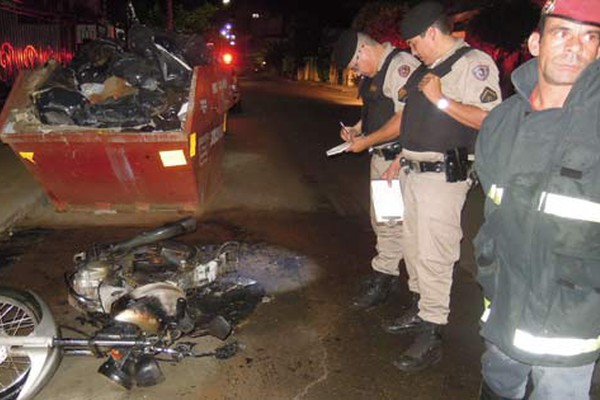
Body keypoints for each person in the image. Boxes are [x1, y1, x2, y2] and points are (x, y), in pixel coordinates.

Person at [474, 1, 600, 398]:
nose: (576, 47)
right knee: (497, 386)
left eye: (590, 37)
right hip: (504, 305)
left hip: (568, 322)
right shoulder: (500, 122)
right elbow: (491, 211)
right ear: (535, 42)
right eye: (562, 32)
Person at [380, 1, 501, 371]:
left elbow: (491, 119)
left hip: (441, 177)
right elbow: (416, 122)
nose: (412, 50)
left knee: (434, 253)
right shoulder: (426, 69)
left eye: (416, 42)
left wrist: (442, 99)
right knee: (414, 248)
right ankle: (421, 310)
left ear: (433, 32)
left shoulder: (473, 65)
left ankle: (433, 330)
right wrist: (401, 156)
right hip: (413, 171)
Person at [332, 30, 420, 309]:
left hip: (401, 162)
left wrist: (366, 141)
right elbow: (375, 109)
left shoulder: (401, 66)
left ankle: (422, 298)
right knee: (386, 222)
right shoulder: (378, 71)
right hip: (382, 159)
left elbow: (403, 119)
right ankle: (385, 276)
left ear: (365, 50)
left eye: (356, 66)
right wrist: (358, 129)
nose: (357, 72)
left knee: (409, 230)